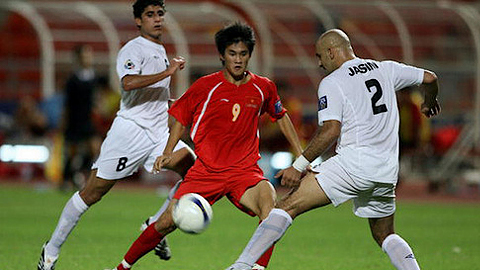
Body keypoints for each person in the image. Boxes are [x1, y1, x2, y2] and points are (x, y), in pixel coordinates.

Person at [226, 29, 440, 270]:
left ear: (331, 51)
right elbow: (430, 78)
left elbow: (330, 130)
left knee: (286, 207)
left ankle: (242, 266)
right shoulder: (385, 69)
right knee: (385, 234)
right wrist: (429, 102)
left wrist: (298, 166)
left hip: (352, 165)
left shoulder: (333, 82)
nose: (319, 63)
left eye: (319, 56)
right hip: (387, 170)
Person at [106, 22, 303, 270]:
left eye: (243, 54)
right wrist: (167, 152)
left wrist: (301, 156)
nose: (238, 60)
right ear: (222, 55)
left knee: (270, 206)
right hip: (206, 171)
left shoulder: (263, 87)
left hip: (244, 172)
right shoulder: (206, 86)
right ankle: (121, 268)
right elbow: (180, 117)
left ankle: (254, 267)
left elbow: (281, 115)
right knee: (165, 223)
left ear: (250, 55)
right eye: (232, 54)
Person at [37, 0, 196, 269]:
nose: (156, 19)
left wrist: (174, 103)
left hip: (158, 133)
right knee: (92, 193)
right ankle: (50, 250)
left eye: (160, 14)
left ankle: (153, 224)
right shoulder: (131, 49)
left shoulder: (160, 50)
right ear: (138, 21)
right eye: (150, 15)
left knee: (195, 171)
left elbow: (152, 96)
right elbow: (128, 83)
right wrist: (167, 72)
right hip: (130, 134)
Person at [61, 44, 101, 191]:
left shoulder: (94, 77)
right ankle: (66, 179)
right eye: (85, 55)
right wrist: (64, 122)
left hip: (88, 120)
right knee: (71, 152)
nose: (88, 58)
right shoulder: (72, 80)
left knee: (94, 149)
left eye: (89, 55)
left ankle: (79, 173)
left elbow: (96, 98)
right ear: (78, 58)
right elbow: (67, 104)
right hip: (74, 120)